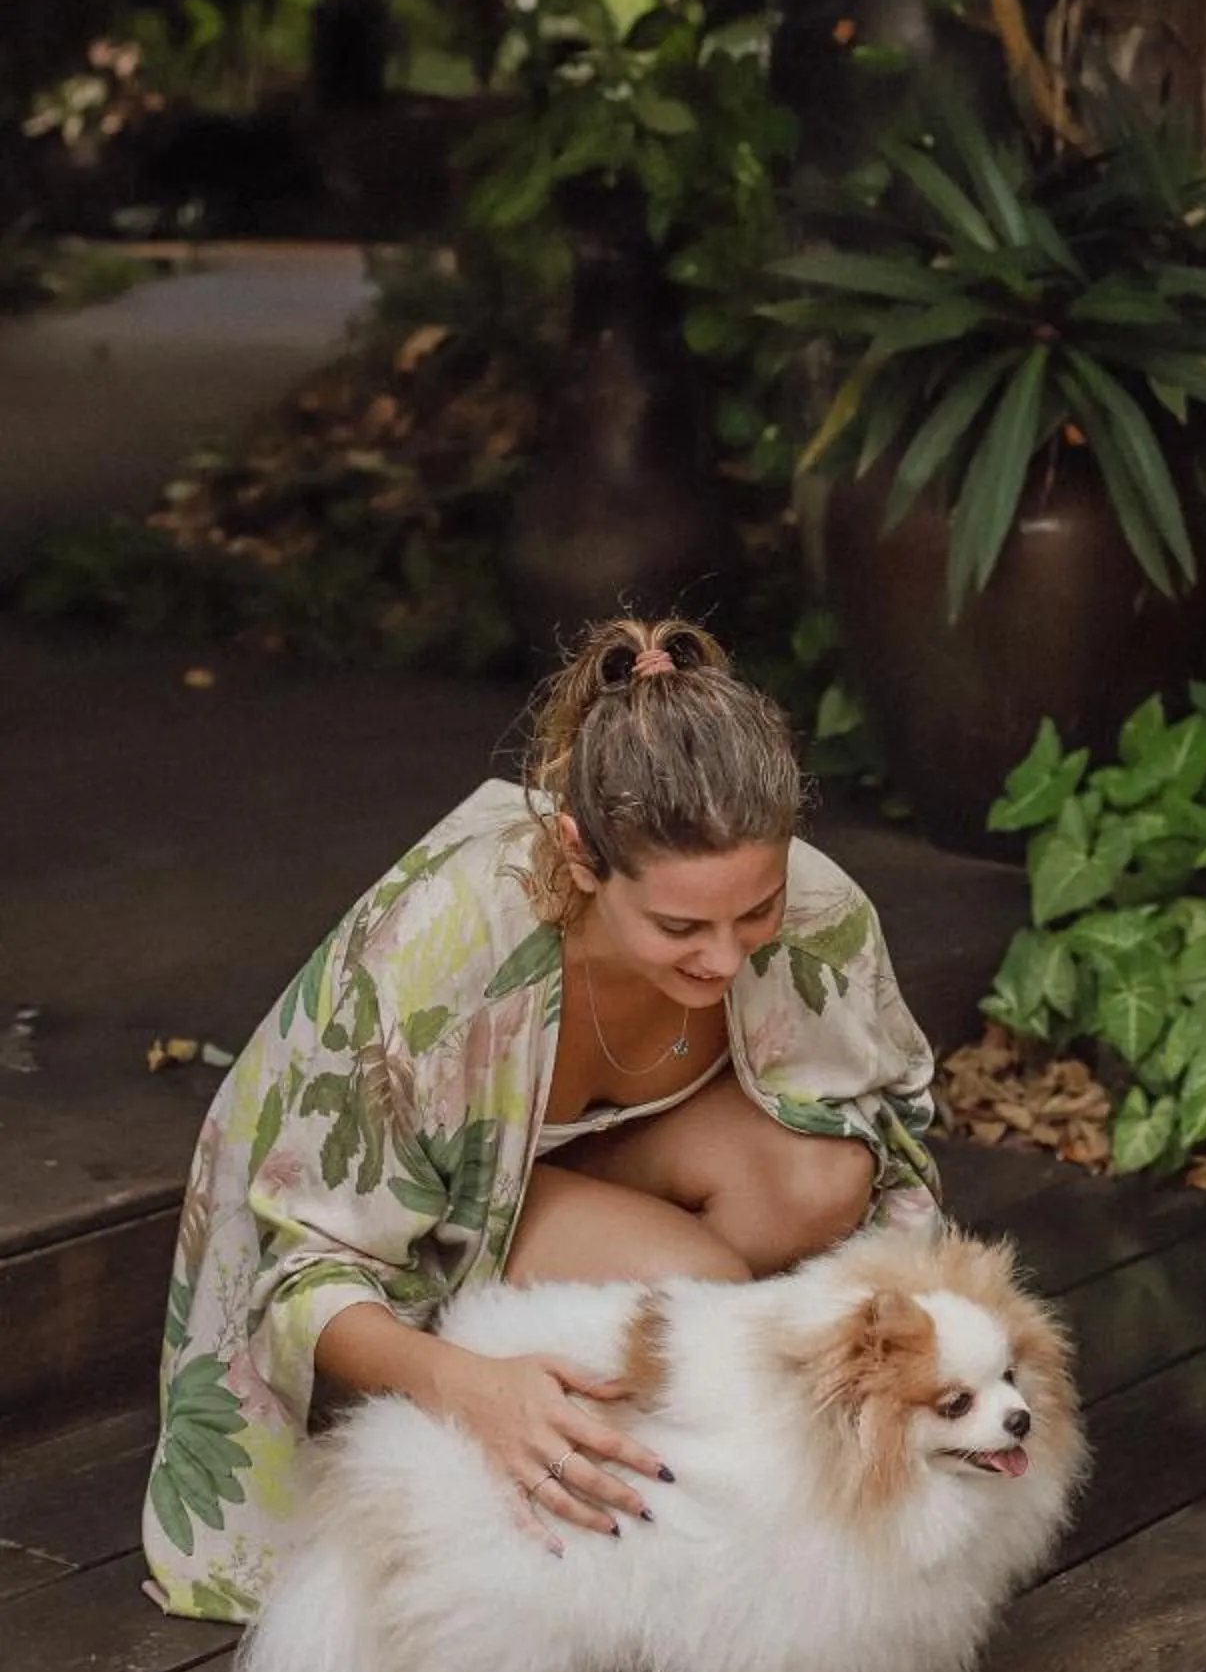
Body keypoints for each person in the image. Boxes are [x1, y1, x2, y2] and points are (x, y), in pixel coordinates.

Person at [142, 617, 938, 1621]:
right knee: (699, 1292)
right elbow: (297, 1273)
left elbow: (890, 1138)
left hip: (582, 1171)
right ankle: (564, 1449)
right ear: (579, 853)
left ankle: (645, 1437)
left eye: (756, 911)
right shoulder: (436, 958)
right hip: (407, 1228)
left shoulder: (818, 909)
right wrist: (467, 1384)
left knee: (820, 1179)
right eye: (681, 926)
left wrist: (910, 1366)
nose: (727, 959)